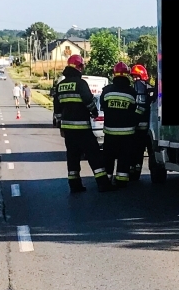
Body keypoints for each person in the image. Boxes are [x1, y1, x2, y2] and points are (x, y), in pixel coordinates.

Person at [53, 56, 108, 193]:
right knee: (94, 154)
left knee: (72, 157)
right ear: (79, 67)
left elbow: (57, 109)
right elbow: (89, 101)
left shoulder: (60, 85)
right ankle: (103, 184)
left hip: (68, 129)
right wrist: (95, 113)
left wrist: (61, 126)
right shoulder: (80, 83)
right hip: (82, 127)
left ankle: (74, 185)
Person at [99, 62, 139, 189]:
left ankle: (108, 178)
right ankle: (122, 180)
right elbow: (135, 110)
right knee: (124, 157)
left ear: (114, 74)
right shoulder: (132, 92)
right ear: (127, 75)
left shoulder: (107, 91)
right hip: (127, 133)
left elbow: (103, 106)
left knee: (108, 157)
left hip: (110, 132)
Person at [128, 63, 152, 180]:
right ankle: (135, 171)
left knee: (135, 151)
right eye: (133, 77)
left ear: (141, 76)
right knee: (139, 152)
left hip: (139, 127)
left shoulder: (139, 86)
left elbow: (140, 106)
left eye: (136, 76)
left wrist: (133, 119)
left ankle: (134, 173)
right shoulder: (149, 88)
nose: (134, 79)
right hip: (148, 127)